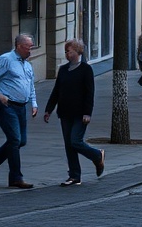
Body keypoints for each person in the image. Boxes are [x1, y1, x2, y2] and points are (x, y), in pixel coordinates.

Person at [43, 39, 106, 186]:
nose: (67, 54)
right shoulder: (63, 70)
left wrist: (87, 113)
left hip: (80, 114)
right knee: (69, 145)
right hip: (65, 112)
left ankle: (97, 155)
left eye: (69, 51)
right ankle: (74, 176)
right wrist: (49, 109)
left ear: (78, 52)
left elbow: (90, 93)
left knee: (75, 141)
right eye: (65, 52)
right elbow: (56, 91)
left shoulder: (86, 69)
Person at [0, 33, 39, 189]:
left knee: (21, 141)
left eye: (31, 47)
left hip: (21, 106)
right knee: (14, 140)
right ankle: (16, 177)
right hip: (7, 106)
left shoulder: (27, 65)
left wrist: (34, 103)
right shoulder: (6, 59)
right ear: (19, 46)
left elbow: (30, 85)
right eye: (28, 47)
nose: (30, 50)